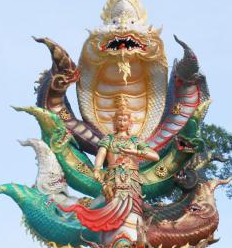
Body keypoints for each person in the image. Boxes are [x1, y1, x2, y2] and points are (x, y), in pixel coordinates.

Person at [59, 98, 159, 234]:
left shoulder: (135, 141)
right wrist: (97, 169)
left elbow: (154, 156)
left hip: (132, 179)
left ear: (130, 123)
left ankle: (136, 228)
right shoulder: (109, 139)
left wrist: (135, 152)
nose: (122, 122)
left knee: (134, 206)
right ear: (115, 122)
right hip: (113, 178)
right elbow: (101, 153)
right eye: (119, 120)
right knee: (112, 203)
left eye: (125, 120)